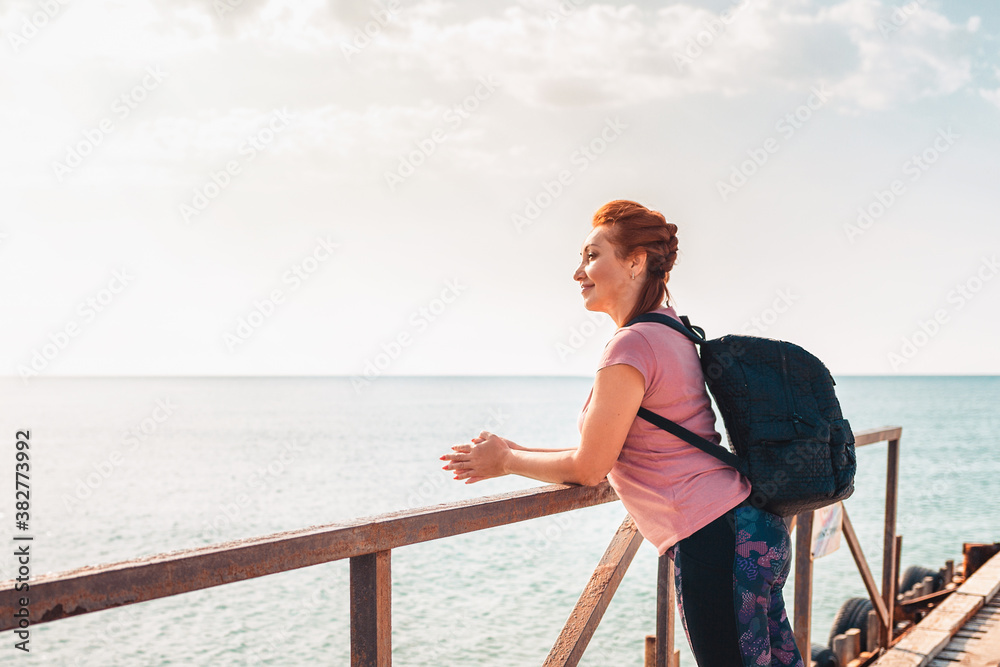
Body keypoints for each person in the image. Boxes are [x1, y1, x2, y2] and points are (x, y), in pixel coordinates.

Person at [440, 200, 804, 667]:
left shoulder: (630, 345)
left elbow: (590, 468)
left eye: (592, 256)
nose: (578, 272)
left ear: (635, 262)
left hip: (714, 542)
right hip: (752, 529)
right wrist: (513, 449)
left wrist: (506, 463)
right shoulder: (672, 331)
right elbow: (614, 448)